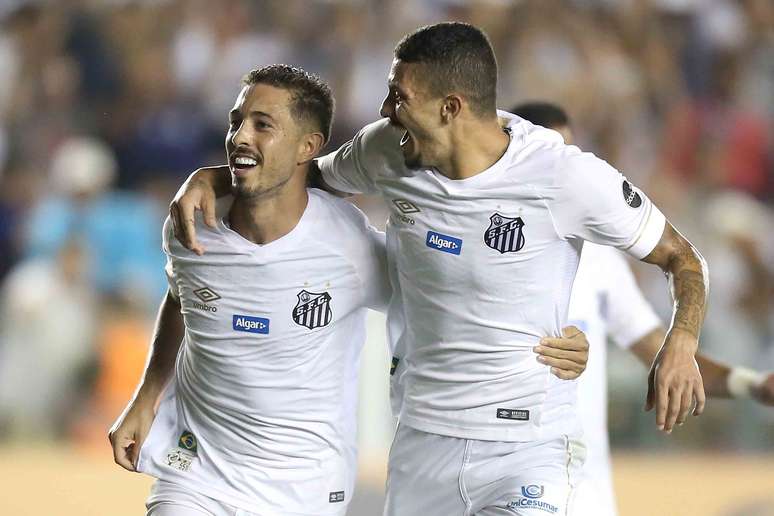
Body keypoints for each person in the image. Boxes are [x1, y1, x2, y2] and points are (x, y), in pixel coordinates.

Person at [169, 22, 708, 516]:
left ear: (451, 107)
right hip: (422, 444)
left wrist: (680, 342)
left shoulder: (565, 177)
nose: (385, 110)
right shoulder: (387, 150)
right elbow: (296, 173)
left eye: (400, 96)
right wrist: (212, 177)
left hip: (526, 448)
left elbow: (683, 260)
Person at [108, 65, 392, 516]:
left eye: (263, 125)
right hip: (196, 475)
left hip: (304, 489)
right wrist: (147, 396)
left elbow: (433, 300)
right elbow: (182, 297)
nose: (240, 136)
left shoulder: (351, 247)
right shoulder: (190, 224)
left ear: (309, 147)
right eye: (236, 121)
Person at [511, 101, 774, 516]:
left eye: (570, 154)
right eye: (550, 155)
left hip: (586, 496)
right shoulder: (484, 248)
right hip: (504, 485)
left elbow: (664, 357)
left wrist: (751, 385)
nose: (563, 173)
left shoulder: (599, 260)